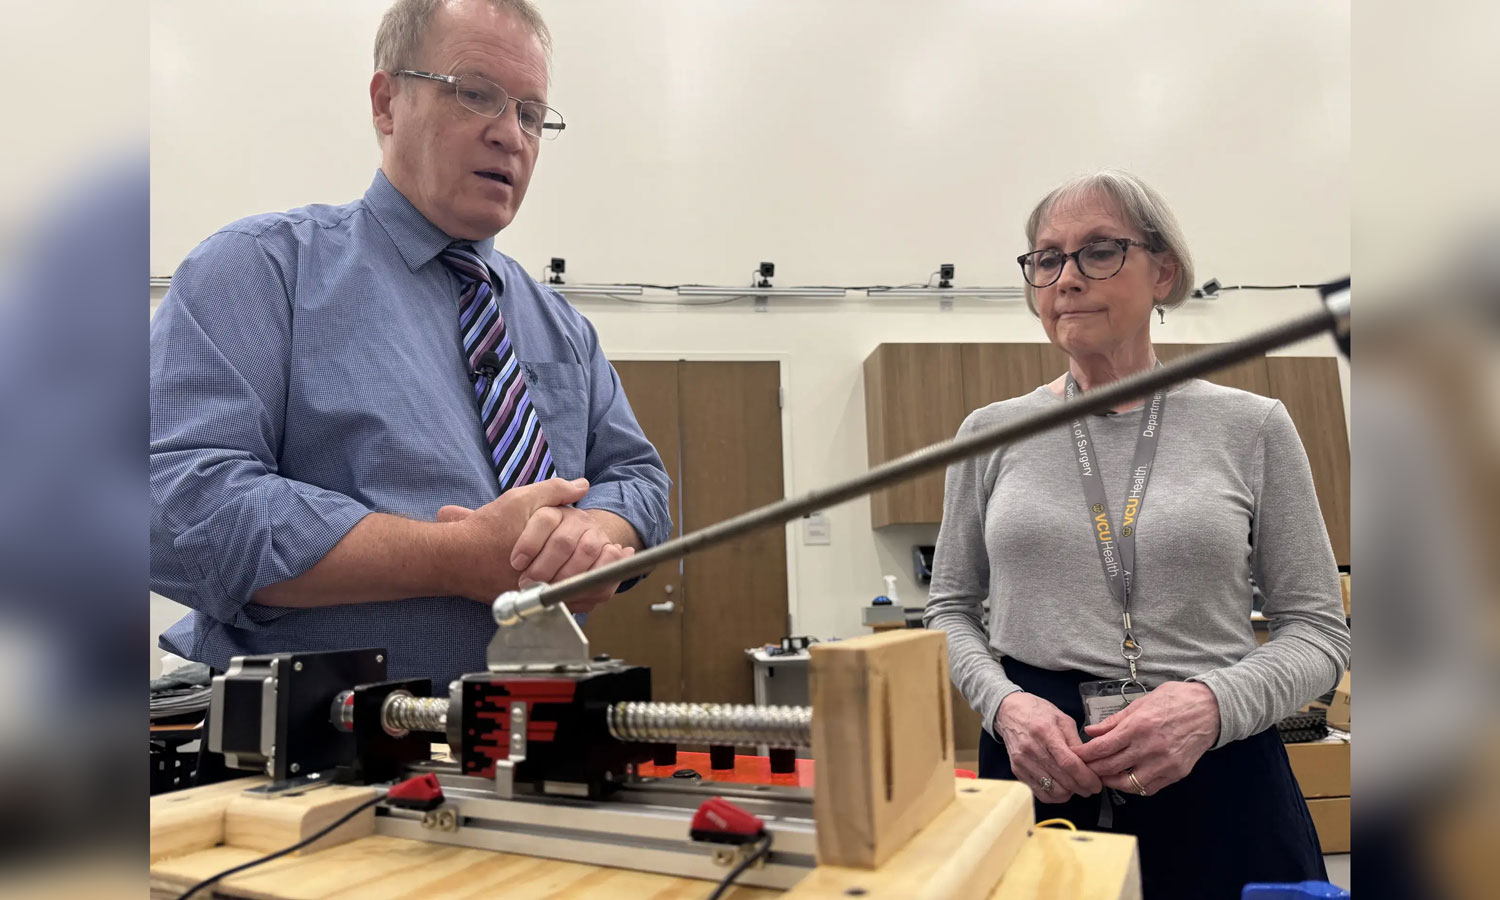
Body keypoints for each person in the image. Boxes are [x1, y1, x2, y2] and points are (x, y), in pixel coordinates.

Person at [150, 0, 671, 688]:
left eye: (531, 114)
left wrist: (601, 532)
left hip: (530, 728)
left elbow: (641, 480)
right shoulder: (261, 271)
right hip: (306, 759)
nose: (510, 136)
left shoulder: (561, 326)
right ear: (387, 100)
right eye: (476, 95)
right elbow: (176, 505)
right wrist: (449, 556)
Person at [924, 170, 1351, 898]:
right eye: (1047, 258)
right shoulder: (991, 434)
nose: (1065, 278)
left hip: (1215, 756)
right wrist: (1005, 706)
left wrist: (1211, 707)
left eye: (1098, 251)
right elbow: (951, 611)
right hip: (1040, 765)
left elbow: (1317, 632)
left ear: (1164, 272)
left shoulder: (1252, 426)